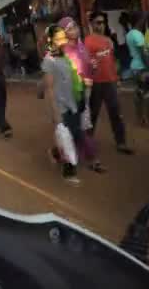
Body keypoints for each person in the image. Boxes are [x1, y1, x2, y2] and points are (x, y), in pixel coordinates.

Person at [42, 26, 104, 184]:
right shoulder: (49, 60)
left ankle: (55, 153)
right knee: (68, 137)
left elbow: (75, 78)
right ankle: (68, 171)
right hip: (61, 106)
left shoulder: (67, 56)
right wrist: (55, 113)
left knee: (75, 134)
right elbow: (49, 88)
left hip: (74, 102)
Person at [84, 11, 134, 154]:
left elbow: (112, 62)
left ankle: (121, 143)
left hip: (110, 82)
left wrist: (116, 79)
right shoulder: (87, 41)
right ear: (91, 24)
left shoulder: (108, 41)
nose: (101, 25)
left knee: (116, 114)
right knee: (92, 115)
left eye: (103, 22)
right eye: (97, 23)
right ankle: (87, 144)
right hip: (96, 84)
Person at [126, 12, 149, 129]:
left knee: (140, 93)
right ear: (139, 20)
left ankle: (140, 118)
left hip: (135, 67)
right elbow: (143, 53)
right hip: (142, 68)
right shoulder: (137, 35)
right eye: (143, 19)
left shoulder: (130, 34)